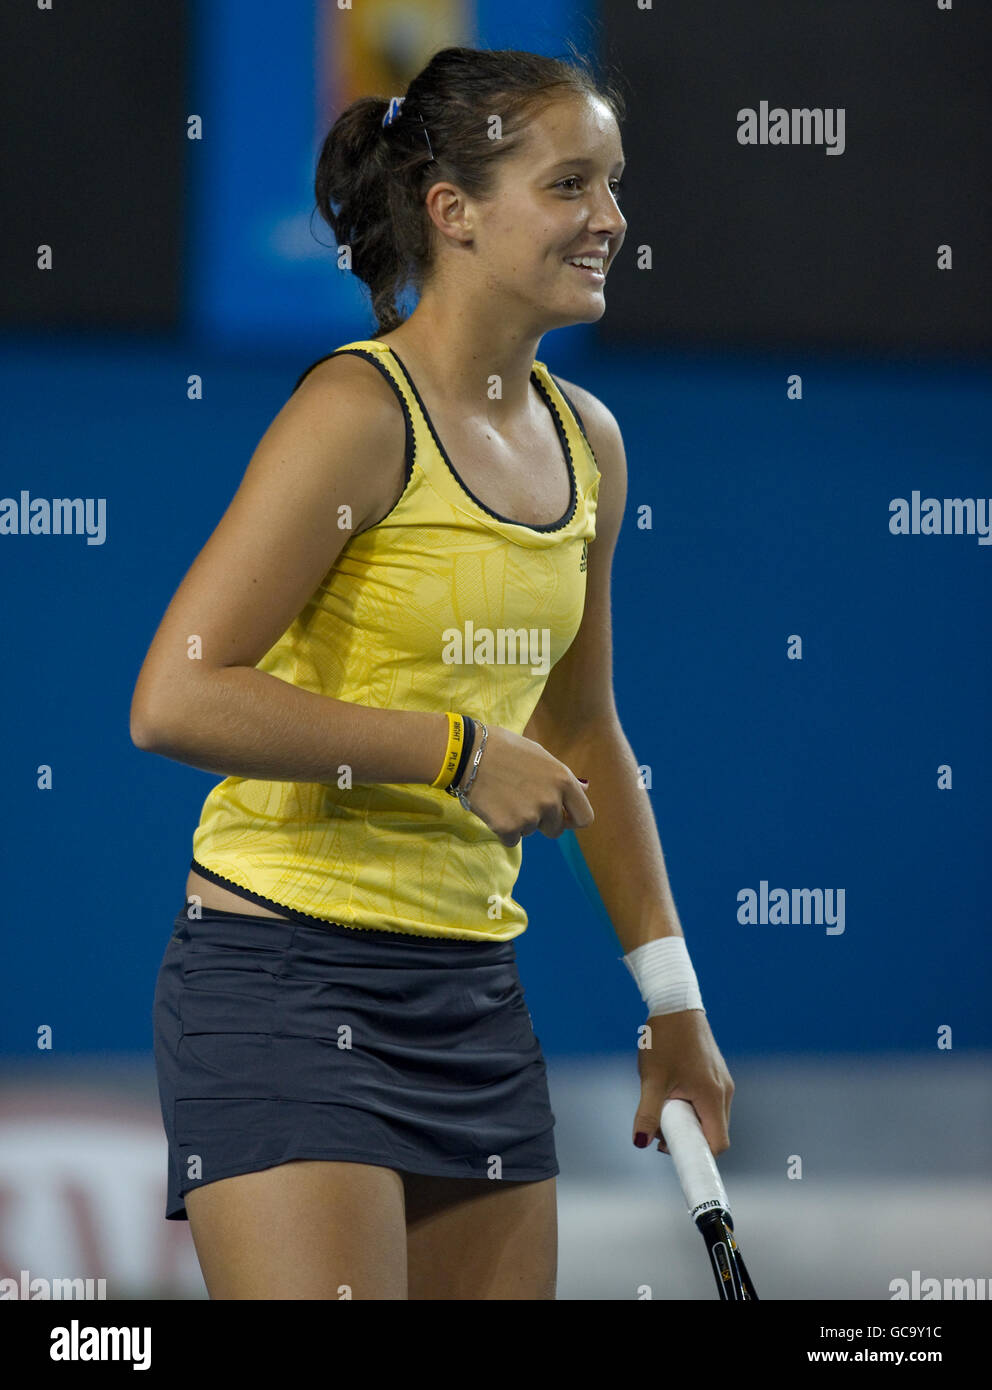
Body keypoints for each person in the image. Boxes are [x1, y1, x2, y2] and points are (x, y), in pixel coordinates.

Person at [131, 43, 734, 1301]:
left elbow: (581, 731)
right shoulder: (355, 415)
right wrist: (451, 751)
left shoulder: (592, 446)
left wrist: (671, 1004)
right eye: (570, 185)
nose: (609, 220)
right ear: (453, 213)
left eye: (612, 185)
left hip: (468, 996)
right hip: (281, 984)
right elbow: (176, 696)